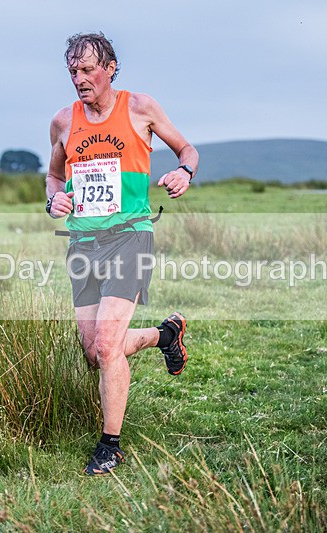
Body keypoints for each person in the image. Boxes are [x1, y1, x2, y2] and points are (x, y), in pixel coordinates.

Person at [45, 32, 199, 475]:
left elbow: (186, 148)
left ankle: (109, 445)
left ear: (111, 68)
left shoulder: (140, 108)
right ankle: (164, 336)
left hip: (130, 236)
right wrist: (54, 200)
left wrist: (184, 171)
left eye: (88, 69)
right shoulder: (62, 121)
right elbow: (54, 178)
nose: (80, 79)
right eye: (72, 71)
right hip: (82, 243)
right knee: (93, 350)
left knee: (109, 346)